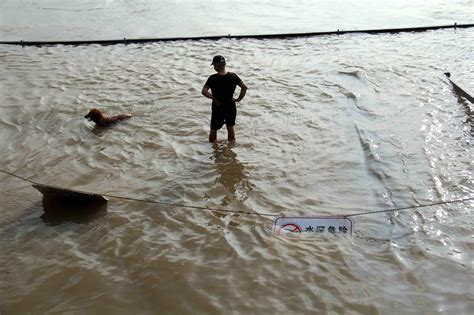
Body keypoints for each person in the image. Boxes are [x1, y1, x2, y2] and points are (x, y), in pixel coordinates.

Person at [201, 55, 248, 142]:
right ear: (224, 64)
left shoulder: (212, 78)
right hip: (230, 105)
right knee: (230, 127)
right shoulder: (233, 76)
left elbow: (204, 91)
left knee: (214, 129)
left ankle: (213, 149)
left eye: (214, 66)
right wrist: (238, 99)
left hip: (217, 106)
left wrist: (214, 99)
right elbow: (244, 87)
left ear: (216, 65)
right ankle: (230, 149)